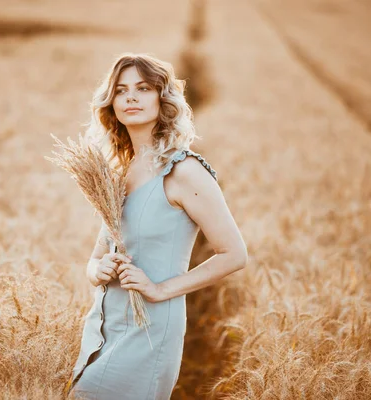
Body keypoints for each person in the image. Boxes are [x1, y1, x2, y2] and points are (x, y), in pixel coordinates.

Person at [66, 53, 248, 400]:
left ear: (163, 99)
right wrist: (99, 269)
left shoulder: (184, 170)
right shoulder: (116, 174)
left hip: (149, 331)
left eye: (143, 88)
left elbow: (234, 254)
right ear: (111, 104)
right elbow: (94, 261)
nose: (131, 97)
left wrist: (160, 290)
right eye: (121, 90)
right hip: (102, 326)